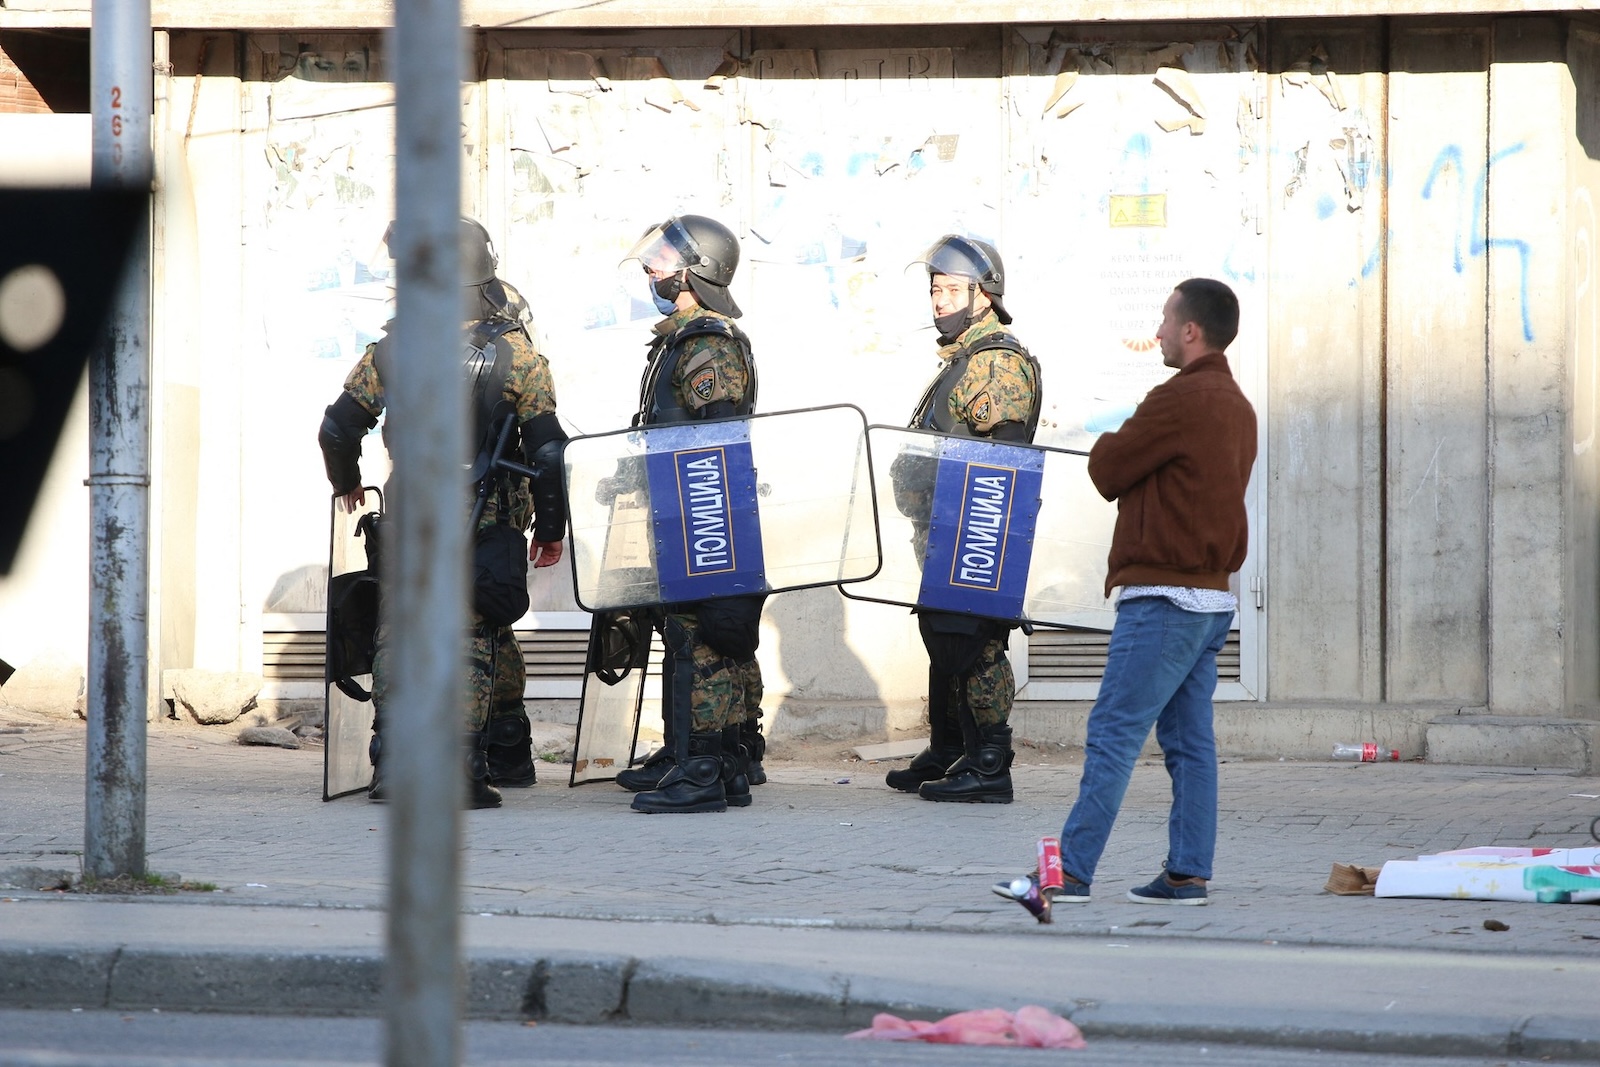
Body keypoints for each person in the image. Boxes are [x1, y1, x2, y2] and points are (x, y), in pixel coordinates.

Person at [317, 216, 568, 809]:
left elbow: (336, 428)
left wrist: (348, 484)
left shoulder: (392, 348)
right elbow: (549, 450)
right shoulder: (519, 357)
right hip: (487, 515)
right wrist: (550, 527)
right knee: (472, 632)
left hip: (409, 512)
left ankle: (393, 764)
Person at [1028, 277, 1256, 905]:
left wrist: (1111, 438)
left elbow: (1107, 468)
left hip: (1163, 597)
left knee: (1114, 732)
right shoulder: (1238, 404)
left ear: (1191, 330)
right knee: (1189, 745)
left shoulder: (1181, 397)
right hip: (1211, 602)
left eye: (1164, 320)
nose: (1156, 332)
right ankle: (1187, 872)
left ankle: (1069, 874)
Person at [608, 214, 765, 814]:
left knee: (702, 637)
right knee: (684, 633)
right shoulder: (682, 337)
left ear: (699, 270)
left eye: (668, 257)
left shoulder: (707, 344)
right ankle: (701, 760)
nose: (653, 267)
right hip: (679, 509)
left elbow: (713, 438)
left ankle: (702, 769)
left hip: (701, 511)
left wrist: (701, 517)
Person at [884, 234, 1041, 804]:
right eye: (935, 290)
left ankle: (990, 762)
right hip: (945, 526)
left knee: (976, 641)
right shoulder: (963, 359)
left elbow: (1000, 456)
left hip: (974, 527)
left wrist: (976, 529)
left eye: (952, 289)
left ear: (985, 295)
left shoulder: (996, 360)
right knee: (945, 635)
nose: (940, 300)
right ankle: (951, 748)